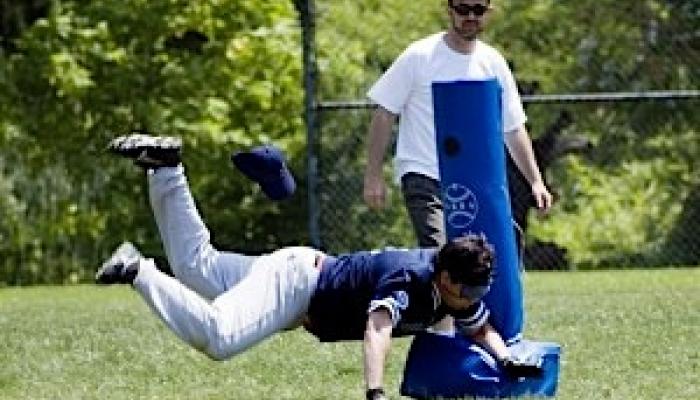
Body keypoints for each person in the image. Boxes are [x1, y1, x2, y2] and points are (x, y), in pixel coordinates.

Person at [96, 134, 541, 400]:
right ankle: (140, 270)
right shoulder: (413, 278)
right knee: (218, 338)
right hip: (296, 285)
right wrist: (374, 392)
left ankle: (166, 169)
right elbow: (377, 330)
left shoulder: (454, 284)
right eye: (471, 292)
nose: (474, 302)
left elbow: (478, 327)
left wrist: (508, 360)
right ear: (446, 279)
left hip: (299, 275)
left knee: (196, 265)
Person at [363, 0, 552, 247]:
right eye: (463, 9)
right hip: (424, 173)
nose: (471, 16)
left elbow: (513, 128)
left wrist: (536, 181)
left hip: (475, 178)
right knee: (442, 254)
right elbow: (385, 113)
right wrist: (373, 175)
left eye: (479, 10)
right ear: (449, 10)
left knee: (481, 259)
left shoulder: (493, 63)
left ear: (489, 12)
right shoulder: (420, 56)